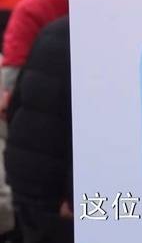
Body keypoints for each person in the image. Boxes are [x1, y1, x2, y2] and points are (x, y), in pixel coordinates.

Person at [4, 17, 72, 243]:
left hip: (29, 180)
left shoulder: (53, 31)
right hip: (55, 194)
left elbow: (15, 107)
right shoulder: (91, 40)